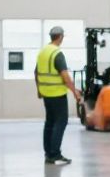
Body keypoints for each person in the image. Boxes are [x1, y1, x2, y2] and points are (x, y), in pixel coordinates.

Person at [36, 26, 83, 166]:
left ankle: (48, 154)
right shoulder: (57, 53)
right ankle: (55, 154)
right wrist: (75, 92)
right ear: (61, 37)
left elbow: (36, 72)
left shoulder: (43, 52)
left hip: (46, 93)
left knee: (49, 122)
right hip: (57, 93)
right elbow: (65, 76)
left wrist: (38, 89)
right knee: (60, 122)